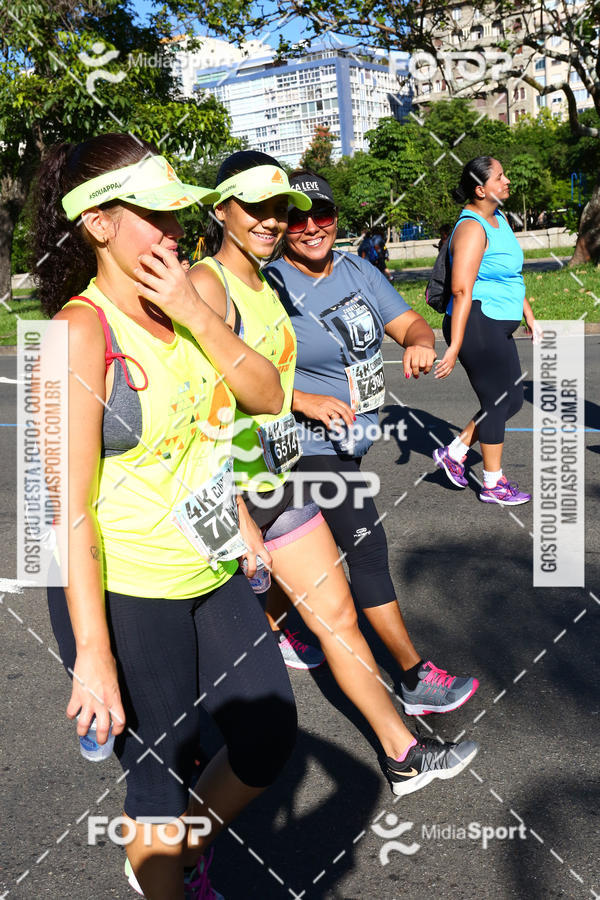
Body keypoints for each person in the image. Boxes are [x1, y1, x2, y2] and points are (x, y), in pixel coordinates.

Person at [34, 134, 298, 900]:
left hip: (209, 561)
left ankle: (180, 851)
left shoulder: (186, 301)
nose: (173, 231)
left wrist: (193, 310)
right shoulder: (77, 335)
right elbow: (68, 511)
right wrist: (93, 652)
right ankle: (160, 867)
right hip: (126, 586)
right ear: (98, 224)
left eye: (177, 213)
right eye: (152, 213)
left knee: (267, 734)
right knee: (159, 771)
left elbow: (258, 398)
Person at [190, 150, 479, 800]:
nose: (276, 221)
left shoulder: (266, 286)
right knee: (216, 664)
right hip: (225, 499)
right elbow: (192, 405)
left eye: (281, 209)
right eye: (259, 208)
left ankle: (404, 755)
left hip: (278, 477)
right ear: (221, 211)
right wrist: (234, 517)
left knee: (339, 620)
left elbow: (266, 383)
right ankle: (172, 822)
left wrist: (299, 403)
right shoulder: (208, 284)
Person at [263, 167, 480, 719]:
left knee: (293, 546)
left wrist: (420, 342)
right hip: (298, 442)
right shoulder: (268, 284)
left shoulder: (358, 269)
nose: (313, 227)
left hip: (351, 441)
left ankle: (278, 624)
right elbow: (240, 369)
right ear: (282, 223)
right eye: (298, 218)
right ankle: (412, 678)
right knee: (365, 548)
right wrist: (301, 400)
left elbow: (409, 323)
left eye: (324, 216)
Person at [433, 156, 537, 504]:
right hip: (477, 323)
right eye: (500, 177)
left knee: (513, 400)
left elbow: (510, 276)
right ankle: (493, 484)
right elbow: (462, 290)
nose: (507, 182)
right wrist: (454, 345)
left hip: (498, 322)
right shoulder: (471, 228)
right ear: (481, 189)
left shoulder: (499, 219)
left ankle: (455, 451)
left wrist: (530, 317)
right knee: (496, 401)